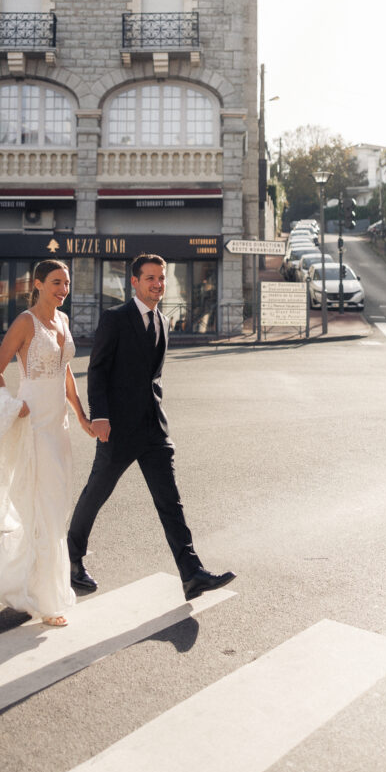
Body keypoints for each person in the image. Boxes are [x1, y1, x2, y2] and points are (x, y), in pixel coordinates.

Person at [67, 253, 236, 602]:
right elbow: (97, 370)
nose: (158, 284)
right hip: (117, 430)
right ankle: (71, 561)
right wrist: (99, 416)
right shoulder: (115, 319)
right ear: (134, 282)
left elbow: (152, 377)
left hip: (154, 430)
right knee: (96, 495)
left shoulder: (163, 321)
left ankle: (191, 573)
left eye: (161, 278)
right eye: (150, 278)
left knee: (170, 502)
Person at [0, 259, 94, 628]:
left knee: (54, 504)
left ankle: (12, 543)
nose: (63, 289)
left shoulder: (64, 321)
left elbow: (65, 373)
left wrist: (82, 416)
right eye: (56, 282)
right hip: (33, 424)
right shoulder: (25, 322)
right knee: (43, 506)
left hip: (57, 426)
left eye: (67, 284)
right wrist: (11, 404)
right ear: (38, 284)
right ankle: (46, 601)